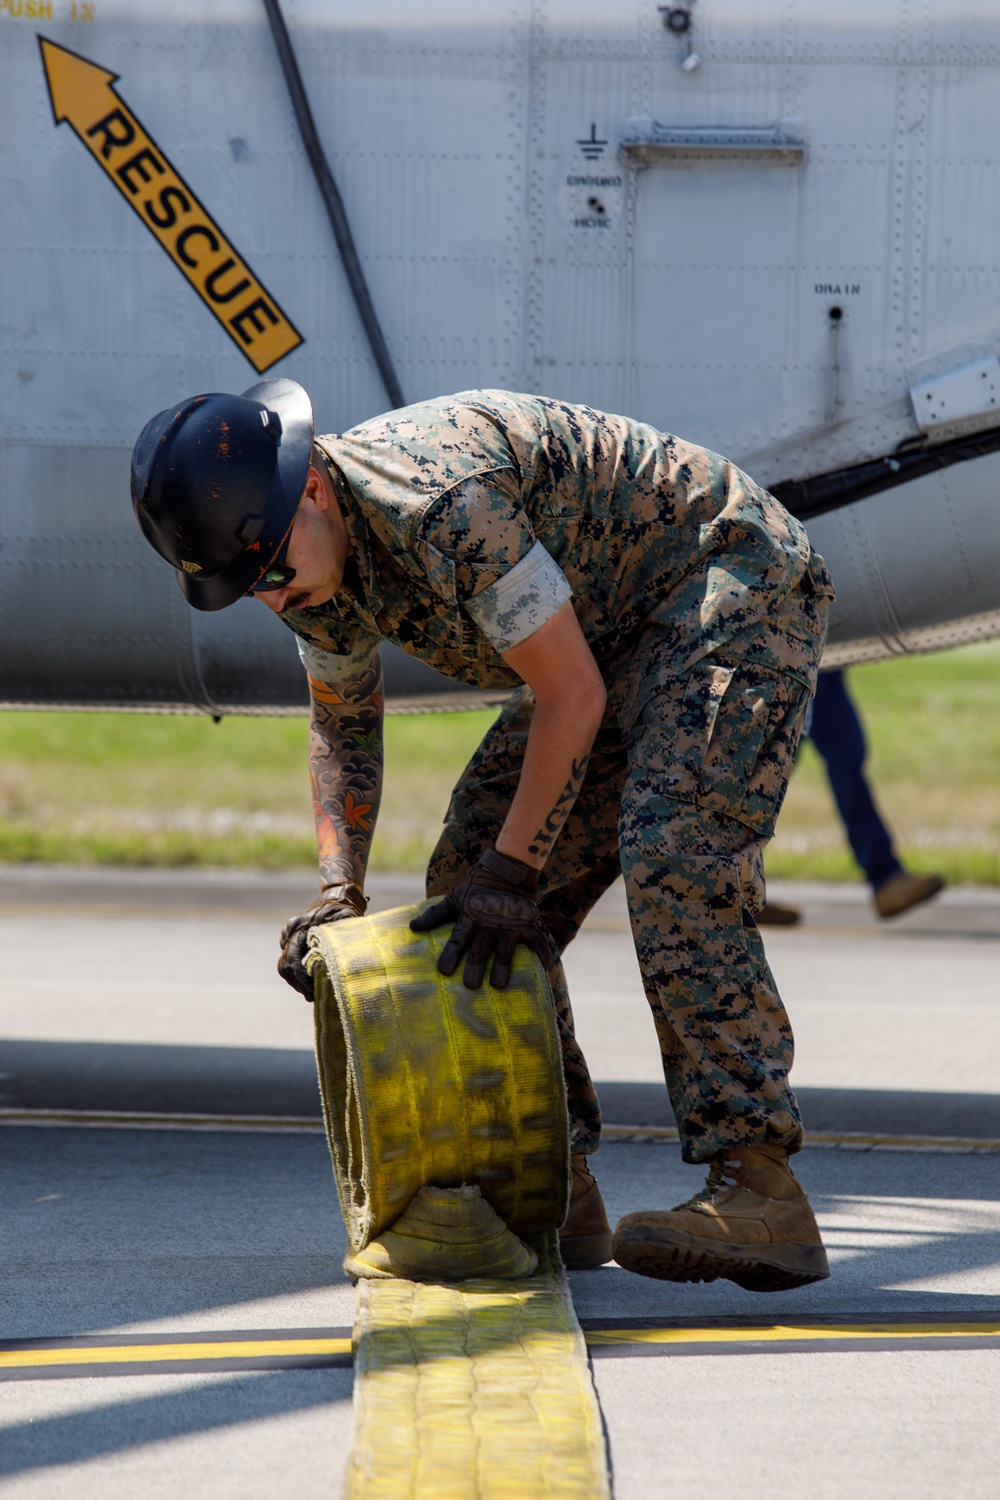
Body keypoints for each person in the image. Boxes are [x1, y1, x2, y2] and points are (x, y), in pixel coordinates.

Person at [131, 378, 835, 1292]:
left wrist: (519, 869)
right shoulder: (309, 563)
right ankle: (554, 1181)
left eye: (268, 567)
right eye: (247, 586)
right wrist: (338, 894)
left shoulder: (436, 502)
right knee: (467, 884)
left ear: (310, 489)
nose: (272, 595)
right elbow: (343, 722)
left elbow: (571, 695)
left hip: (722, 585)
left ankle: (761, 1183)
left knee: (674, 856)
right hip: (609, 634)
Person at [757, 669, 944, 926]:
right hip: (807, 653)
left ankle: (739, 883)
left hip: (808, 653)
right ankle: (883, 875)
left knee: (775, 764)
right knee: (834, 754)